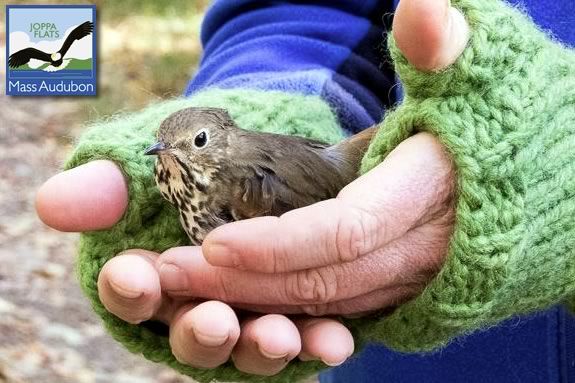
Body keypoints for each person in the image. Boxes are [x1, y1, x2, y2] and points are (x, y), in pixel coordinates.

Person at [36, 0, 575, 381]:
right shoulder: (182, 175)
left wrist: (548, 159)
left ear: (219, 139)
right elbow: (311, 12)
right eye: (165, 146)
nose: (169, 153)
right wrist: (277, 88)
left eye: (194, 142)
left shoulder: (232, 184)